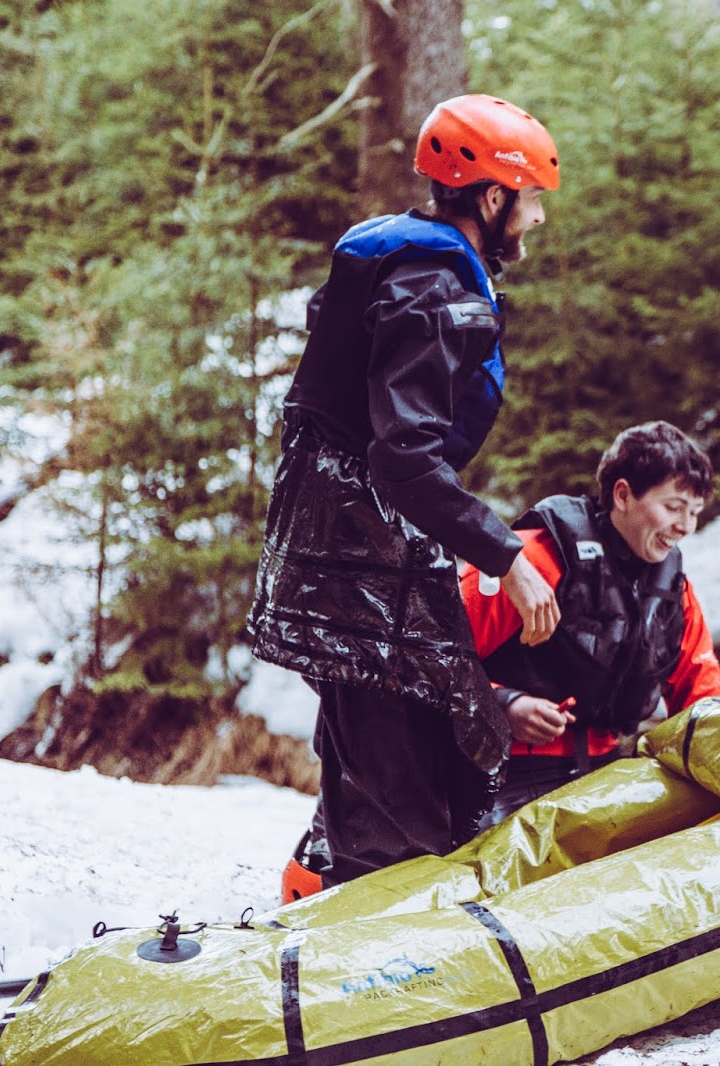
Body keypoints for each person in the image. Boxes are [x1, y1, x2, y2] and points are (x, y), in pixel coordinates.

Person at [248, 93, 563, 888]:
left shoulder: (407, 263)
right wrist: (508, 558)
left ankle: (328, 893)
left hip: (345, 546)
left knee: (421, 740)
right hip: (358, 556)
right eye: (530, 203)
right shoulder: (434, 291)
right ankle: (382, 963)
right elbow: (403, 460)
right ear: (492, 199)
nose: (536, 221)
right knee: (409, 770)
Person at [280, 421, 720, 901]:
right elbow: (425, 660)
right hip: (500, 774)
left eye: (695, 512)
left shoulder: (673, 589)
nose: (685, 527)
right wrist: (505, 705)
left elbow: (702, 694)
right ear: (622, 495)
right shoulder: (537, 562)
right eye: (673, 507)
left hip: (602, 773)